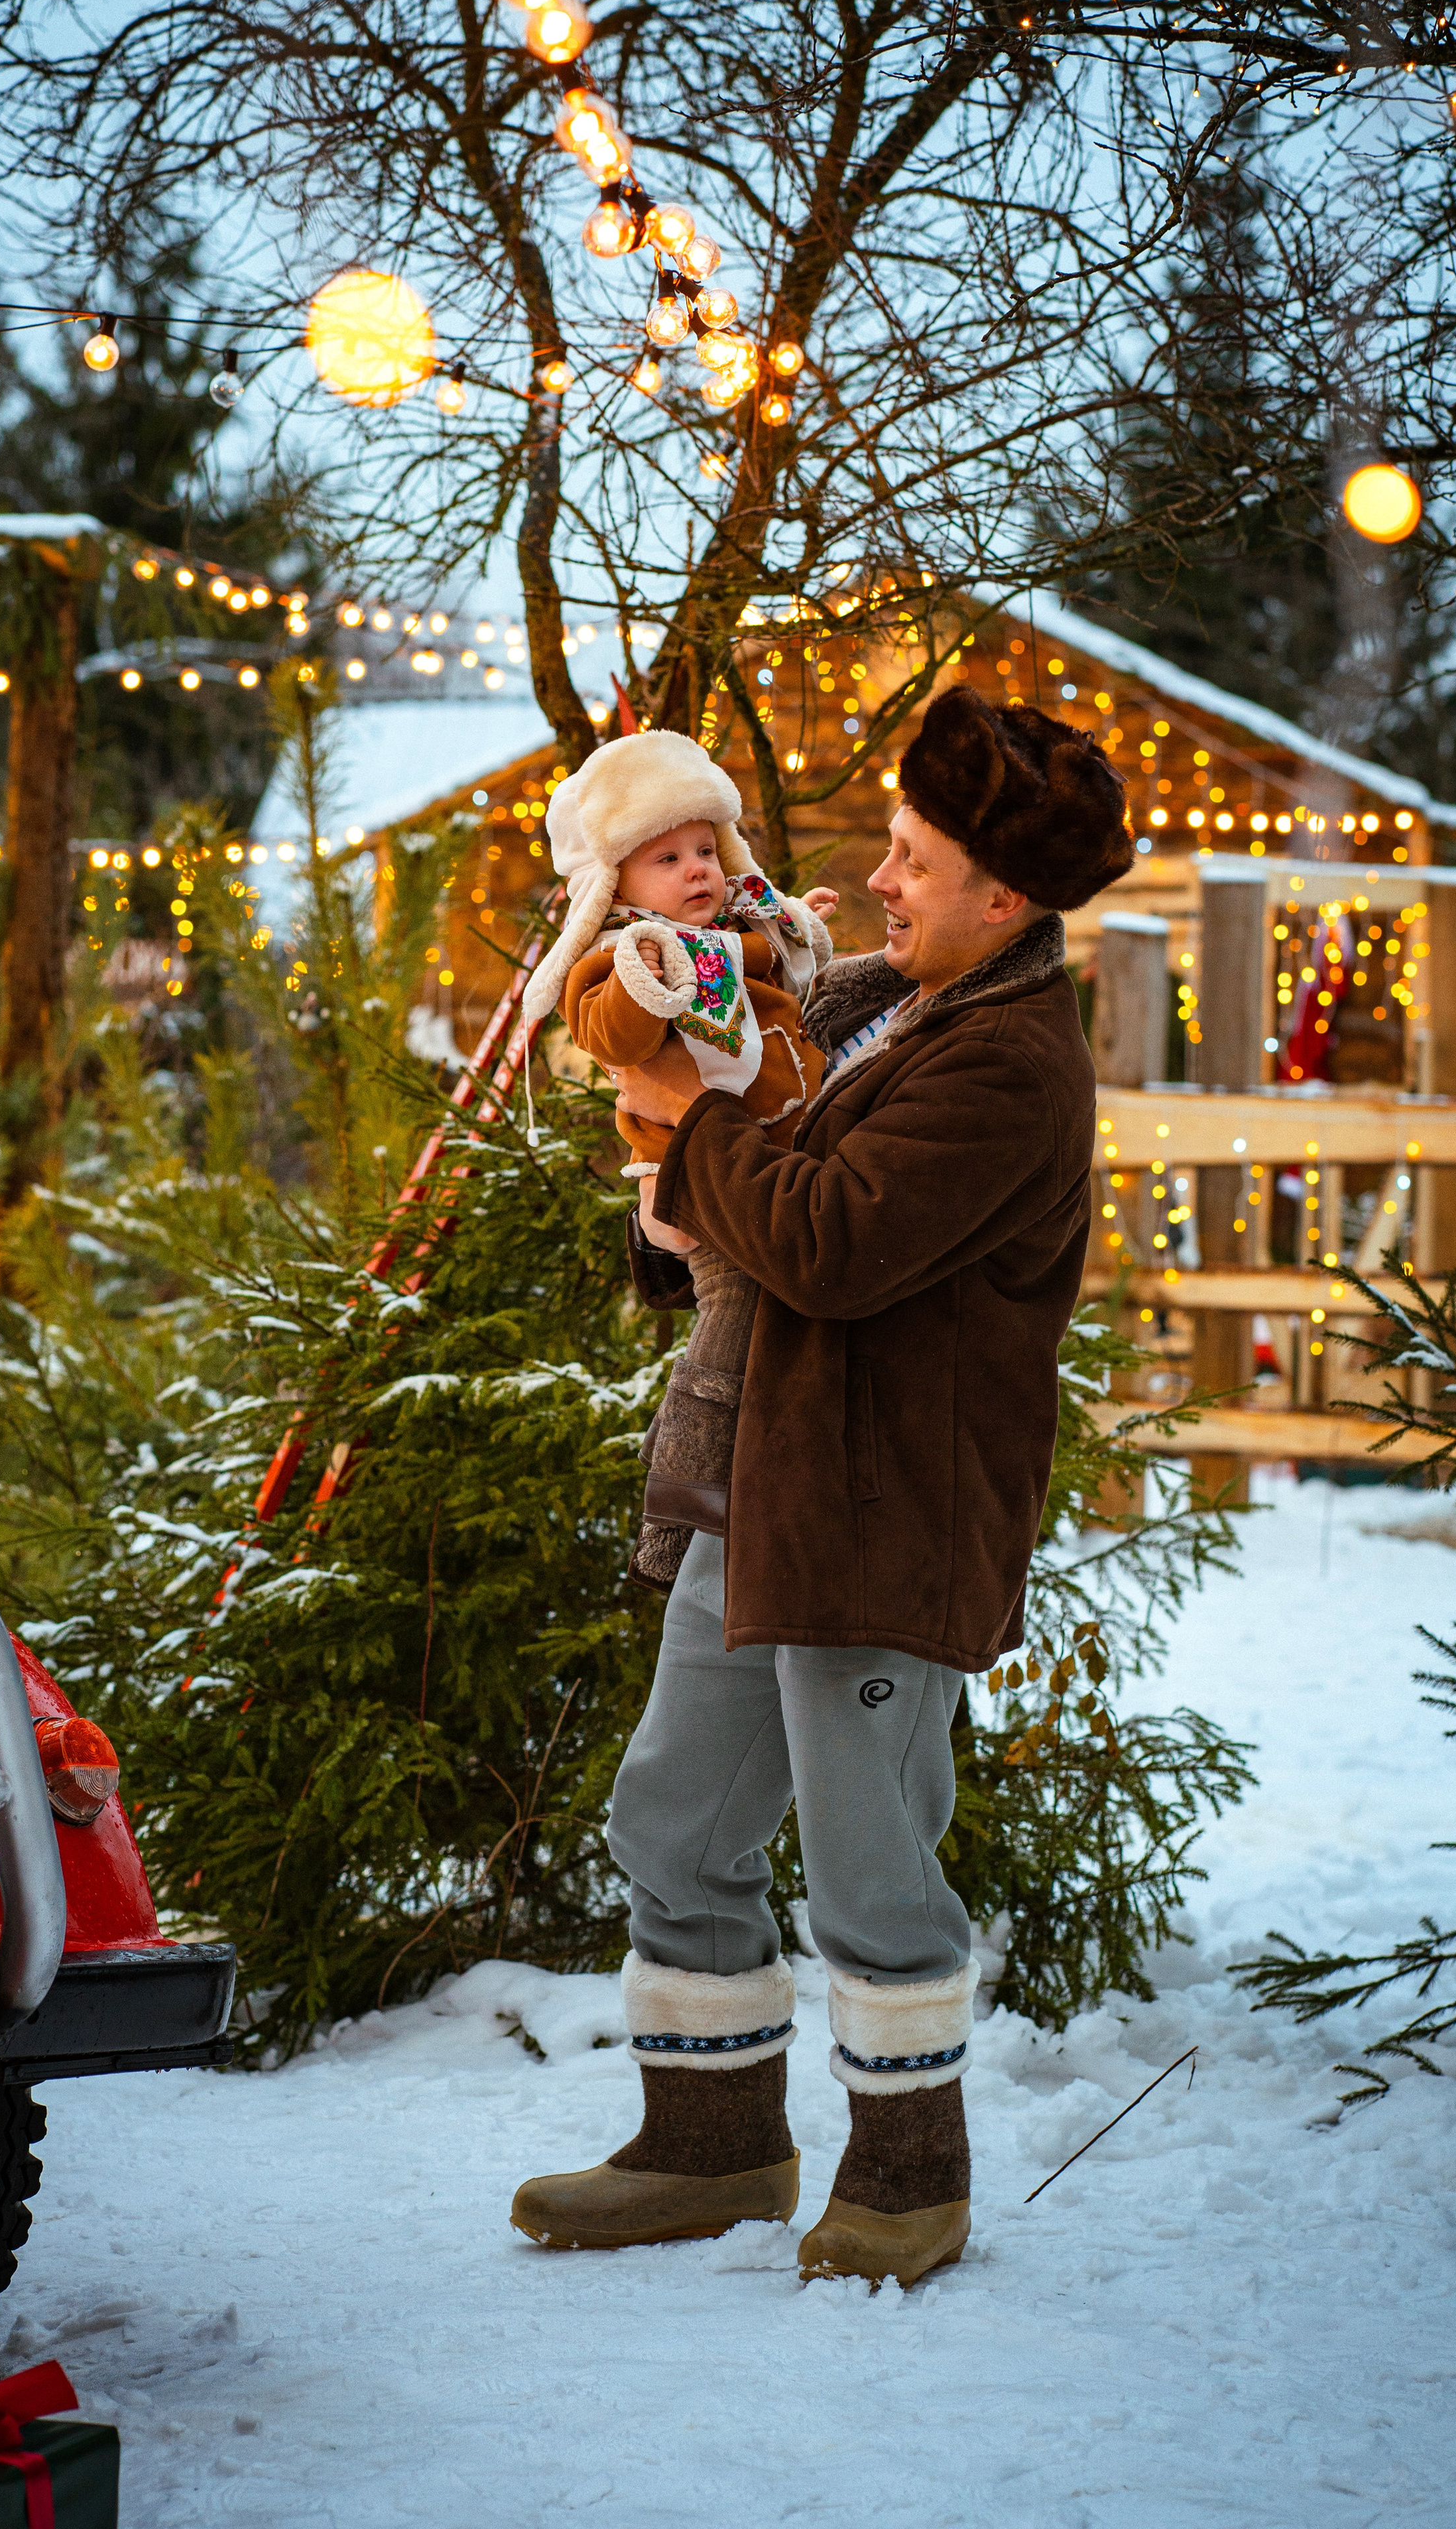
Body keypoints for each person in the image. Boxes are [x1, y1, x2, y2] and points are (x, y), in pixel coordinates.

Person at [511, 684, 1132, 2288]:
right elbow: (752, 1186)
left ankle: (906, 2175)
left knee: (868, 1865)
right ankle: (708, 2146)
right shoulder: (877, 1007)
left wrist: (685, 1121)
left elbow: (837, 1242)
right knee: (672, 1821)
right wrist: (676, 1162)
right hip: (763, 1484)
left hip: (881, 1516)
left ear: (1002, 897)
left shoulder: (1007, 1063)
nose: (875, 879)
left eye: (912, 860)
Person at [521, 730, 835, 1589]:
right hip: (700, 1187)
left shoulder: (734, 944)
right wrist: (642, 976)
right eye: (666, 857)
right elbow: (607, 1031)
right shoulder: (623, 957)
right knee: (725, 1352)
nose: (696, 869)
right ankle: (673, 1543)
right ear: (616, 881)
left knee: (743, 1350)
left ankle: (705, 1492)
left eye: (705, 848)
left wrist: (803, 924)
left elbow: (786, 996)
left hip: (764, 1176)